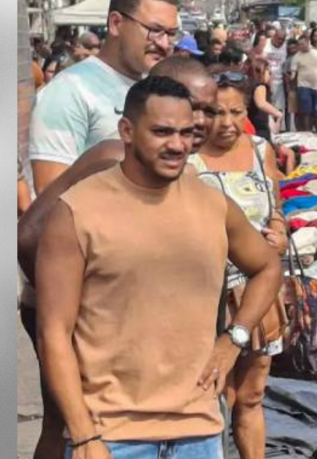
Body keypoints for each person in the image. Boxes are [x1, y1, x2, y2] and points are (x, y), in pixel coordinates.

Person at [35, 76, 282, 459]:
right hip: (111, 434)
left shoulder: (211, 205)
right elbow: (54, 333)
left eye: (186, 133)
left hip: (198, 432)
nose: (177, 145)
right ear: (127, 131)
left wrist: (234, 338)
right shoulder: (77, 211)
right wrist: (83, 435)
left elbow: (267, 267)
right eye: (163, 132)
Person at [18, 56, 219, 459]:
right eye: (191, 107)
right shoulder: (114, 160)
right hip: (80, 320)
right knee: (67, 427)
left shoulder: (188, 176)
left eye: (206, 111)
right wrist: (74, 291)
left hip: (168, 378)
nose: (197, 123)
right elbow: (28, 236)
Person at [188, 69, 287, 459]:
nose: (226, 123)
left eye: (236, 112)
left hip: (260, 294)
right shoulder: (188, 158)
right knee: (214, 396)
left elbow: (277, 205)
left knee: (251, 395)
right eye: (215, 112)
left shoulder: (261, 149)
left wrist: (279, 229)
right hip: (205, 298)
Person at [28, 0, 179, 194]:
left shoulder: (161, 86)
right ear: (116, 23)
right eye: (154, 30)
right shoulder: (69, 90)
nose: (164, 44)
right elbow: (50, 190)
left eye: (171, 34)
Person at [290, 35, 317, 132]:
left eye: (302, 44)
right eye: (299, 44)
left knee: (315, 110)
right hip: (303, 86)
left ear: (308, 43)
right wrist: (291, 78)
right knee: (306, 110)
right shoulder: (296, 57)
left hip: (316, 87)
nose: (300, 46)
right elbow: (293, 73)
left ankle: (316, 128)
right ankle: (307, 130)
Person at [247, 57, 284, 142]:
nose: (270, 75)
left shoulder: (249, 84)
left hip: (255, 125)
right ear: (262, 71)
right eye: (269, 72)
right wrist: (277, 113)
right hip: (259, 128)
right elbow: (261, 103)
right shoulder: (260, 86)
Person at [262, 29, 289, 122]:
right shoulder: (265, 43)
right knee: (265, 106)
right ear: (274, 36)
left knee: (278, 108)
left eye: (283, 39)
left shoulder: (285, 46)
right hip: (264, 80)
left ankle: (276, 128)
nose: (280, 41)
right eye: (279, 38)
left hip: (279, 81)